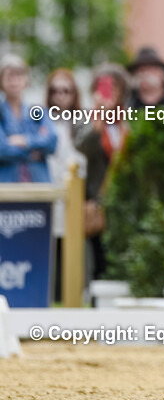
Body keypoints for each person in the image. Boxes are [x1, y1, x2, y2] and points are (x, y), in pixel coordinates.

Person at [74, 63, 131, 281]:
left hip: (124, 202)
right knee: (99, 257)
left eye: (115, 86)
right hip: (97, 201)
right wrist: (98, 119)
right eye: (105, 86)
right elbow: (82, 147)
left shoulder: (128, 120)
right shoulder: (87, 120)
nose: (110, 91)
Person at [45, 68, 86, 301]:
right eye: (55, 91)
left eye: (65, 90)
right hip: (50, 191)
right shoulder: (41, 120)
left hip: (77, 193)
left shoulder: (82, 122)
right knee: (50, 245)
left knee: (74, 249)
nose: (60, 95)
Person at [0, 53, 57, 183]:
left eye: (18, 76)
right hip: (6, 186)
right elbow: (1, 149)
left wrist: (24, 140)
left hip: (39, 184)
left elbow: (52, 142)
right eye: (9, 77)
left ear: (26, 80)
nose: (14, 81)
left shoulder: (38, 111)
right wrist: (33, 151)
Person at [128, 46, 164, 110]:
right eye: (141, 70)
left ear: (163, 74)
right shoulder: (125, 102)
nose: (145, 74)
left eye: (151, 68)